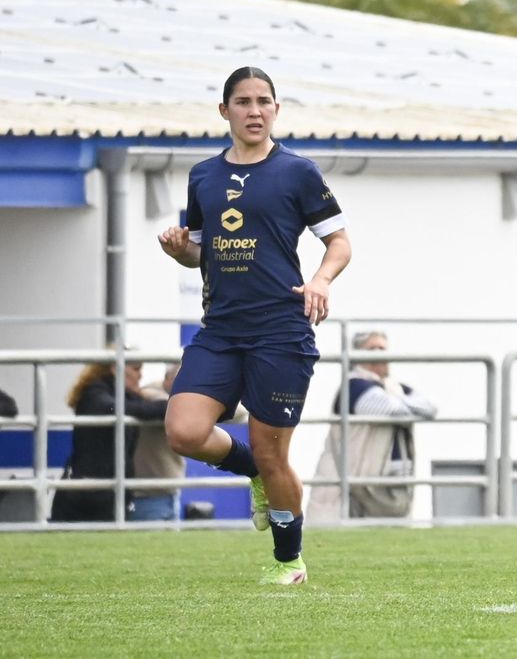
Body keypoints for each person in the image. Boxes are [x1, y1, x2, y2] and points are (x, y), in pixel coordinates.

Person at [157, 66, 351, 585]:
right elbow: (202, 254)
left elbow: (340, 243)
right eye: (242, 102)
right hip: (220, 330)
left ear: (276, 110)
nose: (254, 111)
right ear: (225, 111)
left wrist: (322, 281)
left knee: (273, 450)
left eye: (264, 101)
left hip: (281, 331)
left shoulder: (298, 171)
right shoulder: (203, 175)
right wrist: (182, 251)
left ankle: (288, 560)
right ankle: (253, 473)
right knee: (184, 430)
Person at [310, 330, 437, 520]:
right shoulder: (353, 387)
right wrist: (405, 405)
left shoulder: (395, 388)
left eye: (382, 348)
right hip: (350, 486)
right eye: (372, 348)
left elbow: (429, 408)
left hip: (385, 483)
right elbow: (392, 410)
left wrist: (399, 402)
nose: (379, 353)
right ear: (358, 354)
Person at [50, 358, 168, 522]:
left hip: (112, 492)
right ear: (115, 368)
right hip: (85, 495)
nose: (141, 375)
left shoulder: (126, 395)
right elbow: (119, 408)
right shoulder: (94, 392)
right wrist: (168, 405)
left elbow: (153, 405)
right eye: (136, 368)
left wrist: (155, 397)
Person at [129, 364, 183, 521]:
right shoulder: (148, 393)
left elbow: (239, 412)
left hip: (171, 491)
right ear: (167, 379)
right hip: (146, 495)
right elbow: (167, 405)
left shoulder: (180, 398)